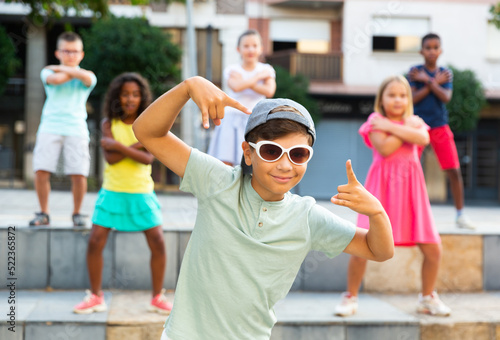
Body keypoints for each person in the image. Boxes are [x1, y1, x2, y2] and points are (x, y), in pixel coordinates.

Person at [132, 76, 394, 340]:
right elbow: (147, 132)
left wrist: (377, 213)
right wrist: (188, 87)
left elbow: (379, 250)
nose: (284, 165)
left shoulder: (307, 217)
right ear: (248, 153)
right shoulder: (218, 181)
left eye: (298, 154)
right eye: (271, 151)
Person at [334, 75, 451, 317]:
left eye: (402, 95)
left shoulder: (410, 123)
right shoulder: (375, 120)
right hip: (380, 191)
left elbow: (424, 138)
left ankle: (427, 297)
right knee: (361, 245)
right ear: (382, 99)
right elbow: (385, 148)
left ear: (408, 99)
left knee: (433, 249)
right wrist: (407, 128)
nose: (397, 100)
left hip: (412, 192)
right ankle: (350, 296)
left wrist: (393, 127)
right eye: (391, 95)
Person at [73, 73, 172, 315]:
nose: (130, 99)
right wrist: (137, 145)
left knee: (158, 242)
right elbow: (111, 159)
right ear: (117, 97)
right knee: (95, 241)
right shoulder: (108, 123)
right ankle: (96, 296)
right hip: (113, 191)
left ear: (142, 98)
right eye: (125, 94)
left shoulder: (146, 124)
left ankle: (157, 297)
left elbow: (148, 158)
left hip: (141, 192)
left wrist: (118, 145)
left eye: (136, 95)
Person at [29, 31, 97, 227]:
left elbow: (88, 79)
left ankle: (77, 213)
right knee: (41, 170)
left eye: (74, 51)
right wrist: (72, 71)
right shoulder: (47, 73)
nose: (70, 55)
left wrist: (63, 68)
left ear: (81, 54)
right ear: (57, 52)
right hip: (49, 126)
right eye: (66, 51)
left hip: (76, 128)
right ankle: (43, 213)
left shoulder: (85, 75)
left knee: (79, 173)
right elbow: (56, 80)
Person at [408, 33, 475, 230]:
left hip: (439, 126)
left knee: (454, 170)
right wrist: (432, 82)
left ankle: (461, 214)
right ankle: (409, 214)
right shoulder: (414, 72)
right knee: (410, 170)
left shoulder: (445, 73)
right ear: (422, 51)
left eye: (435, 47)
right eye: (428, 47)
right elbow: (412, 99)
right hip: (417, 126)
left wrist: (427, 81)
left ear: (440, 51)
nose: (431, 51)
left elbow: (446, 97)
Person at [207, 29, 276, 166]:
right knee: (225, 161)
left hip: (256, 120)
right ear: (238, 49)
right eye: (246, 46)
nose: (250, 49)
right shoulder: (232, 69)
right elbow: (236, 86)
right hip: (231, 120)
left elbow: (269, 91)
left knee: (255, 161)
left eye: (255, 46)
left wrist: (245, 82)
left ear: (261, 49)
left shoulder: (267, 69)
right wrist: (257, 78)